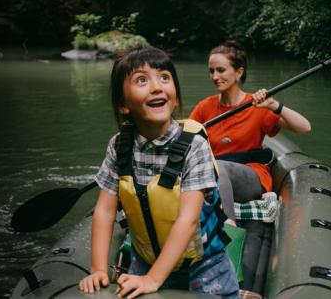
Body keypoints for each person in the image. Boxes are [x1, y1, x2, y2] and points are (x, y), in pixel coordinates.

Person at [79, 46, 238, 298]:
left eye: (164, 77)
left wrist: (153, 279)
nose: (156, 87)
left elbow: (188, 220)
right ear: (123, 105)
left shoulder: (194, 145)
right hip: (145, 260)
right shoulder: (119, 146)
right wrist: (98, 268)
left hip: (204, 265)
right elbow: (105, 210)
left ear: (174, 96)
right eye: (141, 80)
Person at [189, 40, 311, 294]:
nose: (215, 76)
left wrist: (274, 105)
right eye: (211, 71)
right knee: (213, 169)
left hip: (251, 177)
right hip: (214, 176)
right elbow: (185, 139)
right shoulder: (205, 107)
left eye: (221, 70)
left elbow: (304, 127)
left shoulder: (257, 107)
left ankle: (229, 228)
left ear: (239, 72)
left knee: (219, 166)